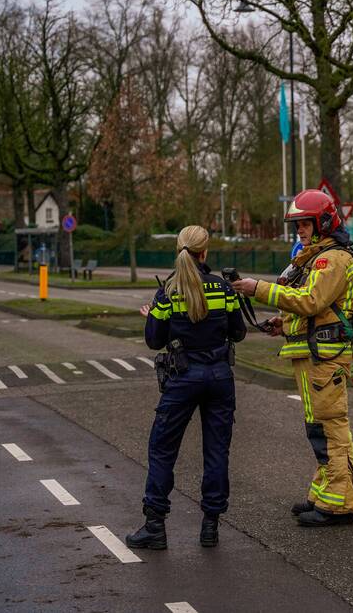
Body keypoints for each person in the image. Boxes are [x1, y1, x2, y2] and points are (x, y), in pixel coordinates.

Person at [232, 189, 353, 527]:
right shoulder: (316, 256)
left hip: (325, 358)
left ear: (321, 223)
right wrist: (283, 323)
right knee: (317, 426)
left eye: (304, 224)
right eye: (297, 225)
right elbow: (310, 309)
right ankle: (325, 494)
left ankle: (340, 505)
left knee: (330, 428)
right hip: (313, 354)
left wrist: (256, 288)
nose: (299, 231)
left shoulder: (332, 259)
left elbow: (311, 301)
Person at [126, 225, 247, 548]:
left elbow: (154, 341)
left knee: (163, 449)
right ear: (205, 252)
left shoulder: (168, 292)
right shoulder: (223, 289)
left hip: (182, 378)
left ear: (178, 250)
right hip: (220, 377)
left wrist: (152, 315)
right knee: (216, 451)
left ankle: (155, 526)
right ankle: (210, 526)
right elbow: (238, 333)